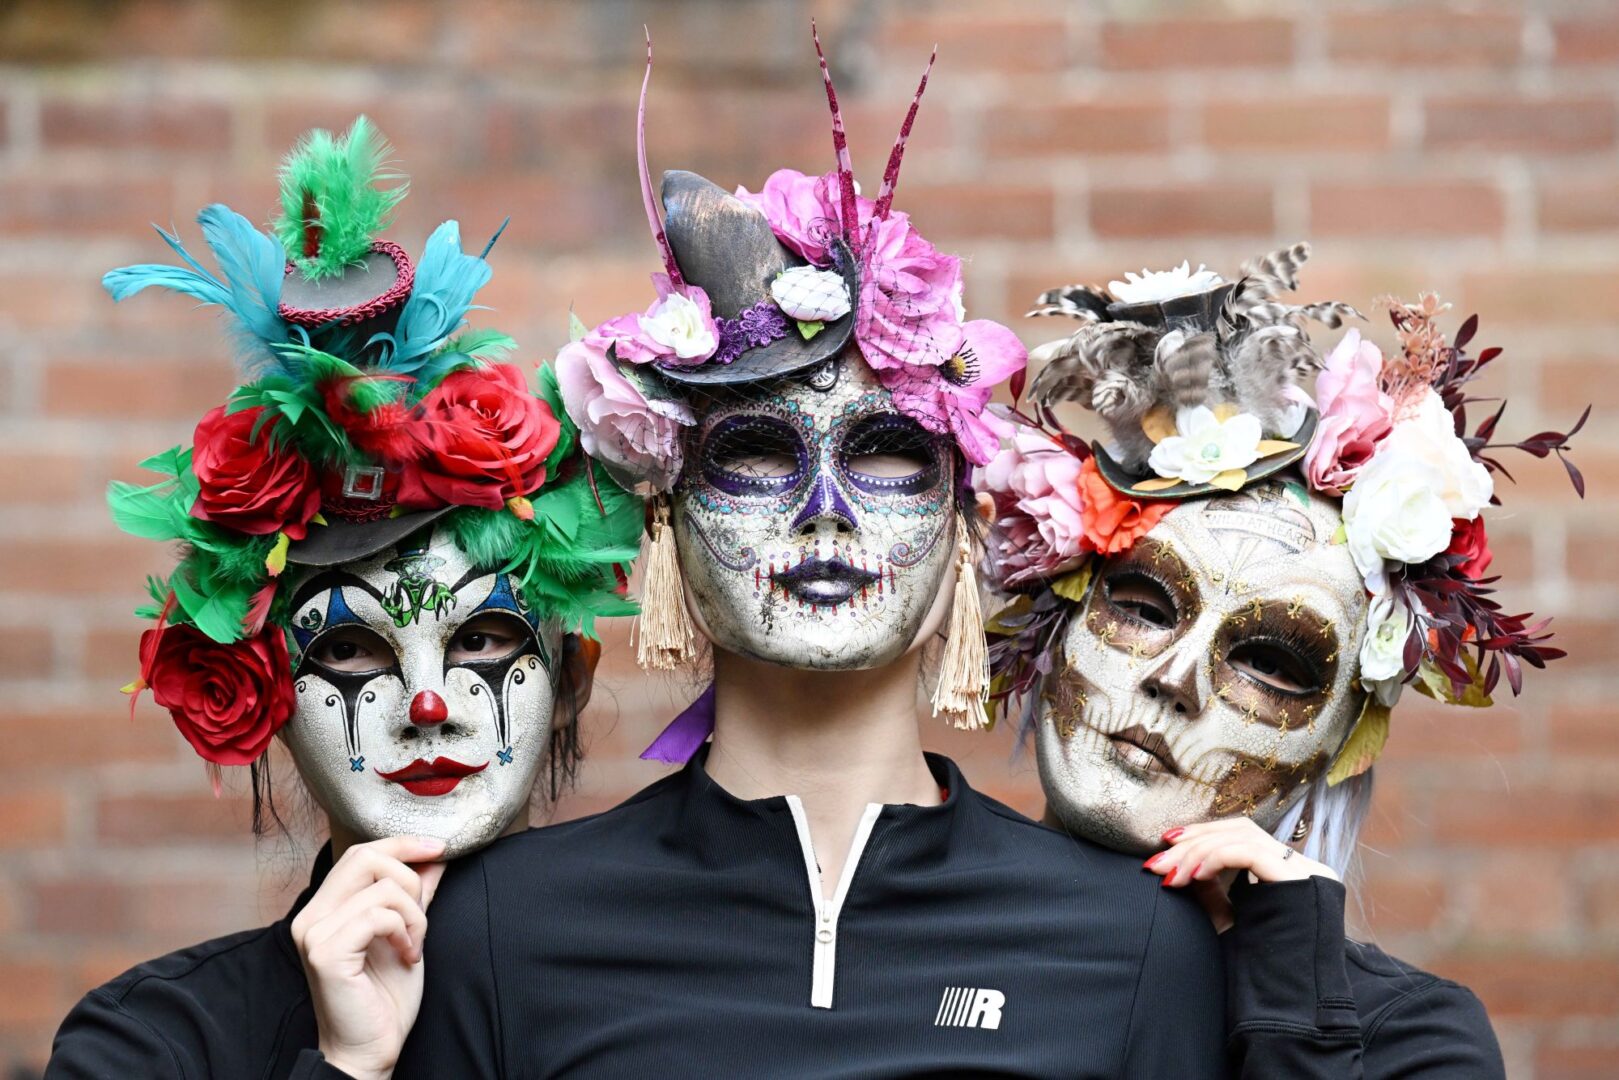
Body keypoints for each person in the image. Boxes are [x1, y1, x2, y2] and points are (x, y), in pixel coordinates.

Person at [301, 33, 1230, 1080]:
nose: (823, 515)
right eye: (754, 457)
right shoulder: (492, 932)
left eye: (885, 457)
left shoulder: (1131, 945)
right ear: (663, 513)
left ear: (967, 524)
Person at [44, 118, 642, 1080]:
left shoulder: (686, 1014)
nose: (427, 705)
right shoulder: (154, 1045)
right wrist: (346, 1069)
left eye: (484, 638)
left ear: (571, 678)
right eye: (350, 650)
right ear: (266, 700)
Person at [976, 251, 1585, 1076]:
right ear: (1061, 620)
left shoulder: (1411, 1040)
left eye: (1268, 661)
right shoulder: (898, 929)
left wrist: (1292, 988)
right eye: (1144, 606)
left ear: (1338, 742)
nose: (1173, 679)